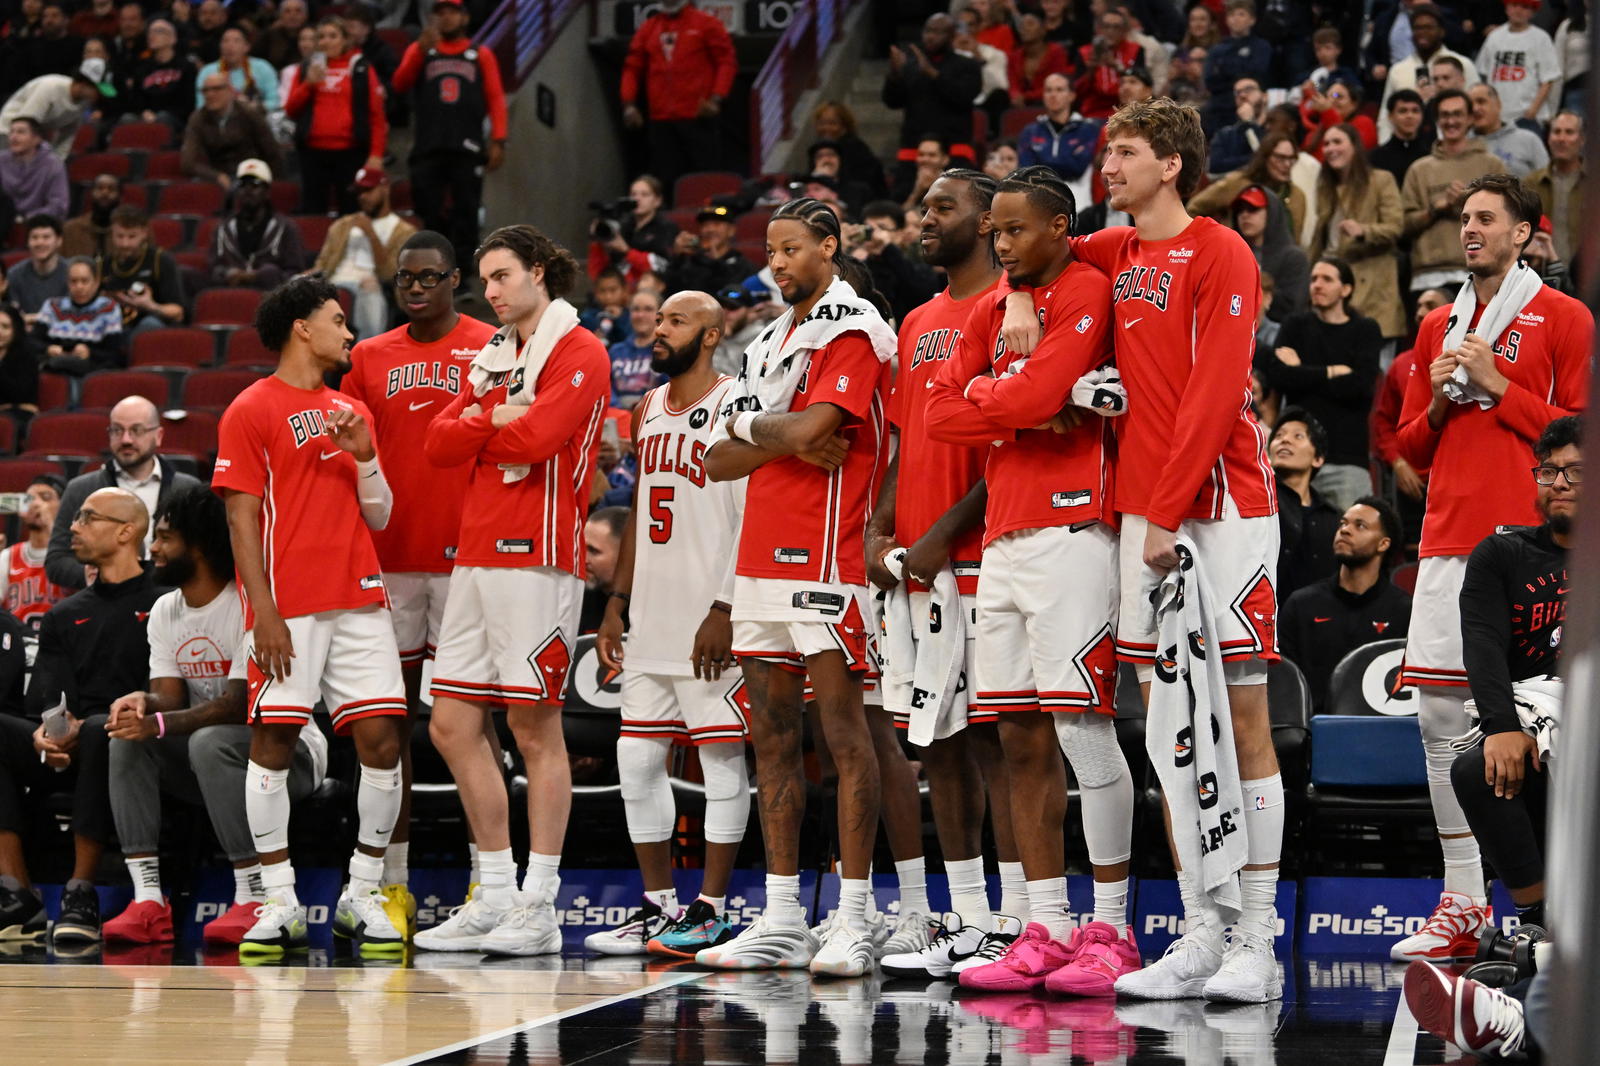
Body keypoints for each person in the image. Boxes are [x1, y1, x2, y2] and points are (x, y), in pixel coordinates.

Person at [1047, 98, 1282, 1004]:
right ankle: (1202, 932)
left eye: (1127, 152)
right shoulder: (1116, 253)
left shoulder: (1221, 251)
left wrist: (1166, 512)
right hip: (1146, 519)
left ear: (1173, 165)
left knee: (1246, 716)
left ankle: (1256, 945)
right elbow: (1036, 251)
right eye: (1109, 151)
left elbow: (1219, 391)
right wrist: (1028, 304)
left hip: (1220, 508)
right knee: (1166, 730)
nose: (1110, 165)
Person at [917, 166, 1136, 994]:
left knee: (1083, 729)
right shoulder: (988, 307)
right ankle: (1047, 921)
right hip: (1002, 534)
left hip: (1076, 525)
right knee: (1015, 735)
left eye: (1015, 231)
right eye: (995, 231)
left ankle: (1111, 929)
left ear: (1058, 225)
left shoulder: (1085, 289)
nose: (1000, 243)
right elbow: (938, 415)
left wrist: (1021, 392)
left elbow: (1040, 388)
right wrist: (1018, 397)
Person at [1393, 173, 1590, 963]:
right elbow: (1409, 448)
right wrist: (1440, 399)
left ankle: (1560, 909)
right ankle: (1465, 901)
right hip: (1446, 535)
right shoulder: (1437, 324)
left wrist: (1498, 384)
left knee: (1553, 730)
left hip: (1536, 548)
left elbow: (1580, 434)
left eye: (1486, 219)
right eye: (1464, 219)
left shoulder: (1565, 317)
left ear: (1524, 233)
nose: (1469, 229)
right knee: (1440, 725)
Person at [698, 198, 895, 977]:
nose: (776, 263)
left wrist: (767, 433)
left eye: (791, 248)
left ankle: (854, 916)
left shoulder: (853, 327)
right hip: (758, 562)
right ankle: (783, 915)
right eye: (769, 250)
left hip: (829, 558)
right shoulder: (768, 338)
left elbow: (821, 433)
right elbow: (715, 456)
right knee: (770, 740)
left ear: (830, 245)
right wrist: (769, 432)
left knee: (846, 740)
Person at [418, 226, 608, 956]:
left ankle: (541, 904)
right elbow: (437, 446)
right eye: (483, 280)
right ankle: (493, 894)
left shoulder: (581, 349)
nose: (490, 293)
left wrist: (481, 422)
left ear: (539, 270)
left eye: (501, 277)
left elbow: (539, 442)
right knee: (451, 725)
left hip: (537, 555)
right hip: (474, 552)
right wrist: (492, 416)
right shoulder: (493, 357)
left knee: (534, 728)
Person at [213, 276, 408, 958]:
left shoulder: (350, 408)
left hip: (359, 597)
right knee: (272, 744)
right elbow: (240, 520)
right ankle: (279, 900)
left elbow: (379, 513)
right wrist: (260, 612)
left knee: (383, 742)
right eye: (337, 319)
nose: (348, 332)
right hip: (287, 608)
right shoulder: (250, 408)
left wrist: (366, 455)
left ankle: (362, 892)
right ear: (302, 327)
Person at [858, 169, 1022, 980]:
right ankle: (966, 915)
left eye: (942, 207)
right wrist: (881, 527)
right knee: (937, 743)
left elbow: (1014, 445)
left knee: (1000, 740)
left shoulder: (1008, 311)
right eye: (922, 206)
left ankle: (1023, 918)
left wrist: (942, 535)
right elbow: (900, 438)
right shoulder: (918, 318)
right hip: (916, 565)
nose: (925, 220)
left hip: (986, 554)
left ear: (991, 221)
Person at [335, 230, 496, 942]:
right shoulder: (368, 356)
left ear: (456, 278)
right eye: (407, 280)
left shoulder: (494, 346)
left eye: (431, 277)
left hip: (471, 559)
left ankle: (485, 878)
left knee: (472, 723)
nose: (418, 288)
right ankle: (391, 883)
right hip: (389, 558)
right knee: (387, 725)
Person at [588, 290, 751, 956]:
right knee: (636, 758)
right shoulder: (647, 409)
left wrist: (725, 607)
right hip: (650, 615)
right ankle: (660, 908)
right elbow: (641, 514)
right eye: (657, 321)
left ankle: (710, 908)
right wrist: (616, 603)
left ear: (711, 335)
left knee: (719, 757)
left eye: (677, 321)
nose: (659, 331)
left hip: (709, 615)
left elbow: (751, 516)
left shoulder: (739, 403)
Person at [98, 486, 329, 945]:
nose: (153, 548)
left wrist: (161, 723)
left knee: (210, 741)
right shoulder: (167, 608)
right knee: (126, 736)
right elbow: (168, 696)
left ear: (199, 546)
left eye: (165, 538)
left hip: (291, 754)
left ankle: (254, 896)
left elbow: (239, 705)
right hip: (215, 759)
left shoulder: (248, 602)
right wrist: (143, 704)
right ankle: (148, 900)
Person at [0, 487, 156, 946]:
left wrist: (81, 730)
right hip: (71, 743)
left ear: (126, 531)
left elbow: (169, 693)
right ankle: (16, 892)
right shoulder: (64, 615)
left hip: (136, 742)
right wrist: (47, 738)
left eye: (88, 518)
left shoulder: (165, 602)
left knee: (98, 731)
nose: (73, 526)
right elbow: (47, 701)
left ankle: (80, 891)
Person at [1444, 415, 1578, 941]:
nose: (1560, 482)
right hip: (1532, 720)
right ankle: (1539, 925)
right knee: (1478, 769)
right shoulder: (1502, 553)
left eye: (1576, 471)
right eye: (1549, 471)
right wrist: (1501, 726)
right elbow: (1482, 646)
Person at [1257, 257, 1381, 512]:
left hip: (1346, 460)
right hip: (1295, 460)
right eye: (1314, 279)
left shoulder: (1365, 330)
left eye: (1327, 279)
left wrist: (1301, 372)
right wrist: (1333, 371)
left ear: (1346, 289)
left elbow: (1360, 387)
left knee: (1348, 545)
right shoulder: (1295, 325)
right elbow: (1280, 376)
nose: (1317, 285)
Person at [393, 0, 508, 267]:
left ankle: (464, 273)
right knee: (427, 210)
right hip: (428, 145)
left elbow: (496, 99)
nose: (446, 18)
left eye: (452, 12)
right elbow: (399, 84)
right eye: (440, 13)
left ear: (464, 18)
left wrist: (499, 139)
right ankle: (432, 267)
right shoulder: (421, 50)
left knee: (466, 211)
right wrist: (418, 52)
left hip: (466, 146)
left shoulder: (480, 54)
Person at [46, 397, 203, 591]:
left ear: (158, 435)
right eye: (117, 430)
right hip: (103, 604)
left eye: (136, 430)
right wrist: (89, 575)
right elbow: (56, 561)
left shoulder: (187, 489)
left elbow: (202, 556)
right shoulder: (80, 488)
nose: (126, 440)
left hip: (173, 602)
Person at [1279, 496, 1411, 712]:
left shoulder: (1403, 609)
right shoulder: (1301, 604)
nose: (1345, 530)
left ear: (1383, 543)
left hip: (1380, 729)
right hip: (1313, 733)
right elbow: (1285, 683)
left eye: (1360, 525)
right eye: (1343, 523)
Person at [619, 0, 734, 197]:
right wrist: (629, 104)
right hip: (661, 119)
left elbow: (726, 62)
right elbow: (632, 67)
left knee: (704, 180)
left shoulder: (706, 23)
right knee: (664, 180)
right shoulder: (649, 28)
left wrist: (716, 98)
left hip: (698, 117)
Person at [1401, 90, 1506, 297]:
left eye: (1457, 114)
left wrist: (1470, 203)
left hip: (1483, 272)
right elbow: (1403, 225)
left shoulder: (1491, 164)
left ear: (1469, 119)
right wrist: (1436, 209)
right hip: (1428, 276)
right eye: (1445, 115)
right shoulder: (1419, 169)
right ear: (1437, 121)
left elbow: (1507, 218)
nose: (1451, 121)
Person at [1307, 126, 1406, 342]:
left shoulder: (1381, 180)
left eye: (1337, 142)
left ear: (1354, 146)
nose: (1331, 148)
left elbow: (1395, 226)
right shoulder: (1325, 187)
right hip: (1336, 287)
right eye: (1326, 143)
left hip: (1374, 288)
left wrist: (1364, 231)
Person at [285, 16, 387, 215]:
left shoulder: (361, 68)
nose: (326, 41)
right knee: (313, 212)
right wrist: (308, 85)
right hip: (312, 154)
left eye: (333, 36)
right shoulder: (307, 67)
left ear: (345, 40)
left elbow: (376, 116)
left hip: (350, 153)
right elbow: (291, 110)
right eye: (321, 37)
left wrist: (376, 154)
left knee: (351, 213)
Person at [313, 167, 416, 341]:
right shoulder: (342, 225)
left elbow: (392, 273)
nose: (362, 196)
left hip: (371, 285)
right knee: (296, 284)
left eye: (368, 190)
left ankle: (368, 350)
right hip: (333, 282)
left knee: (370, 287)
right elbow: (322, 265)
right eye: (359, 191)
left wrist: (370, 234)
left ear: (385, 188)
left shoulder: (404, 232)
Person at [882, 15, 983, 171]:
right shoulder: (911, 65)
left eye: (937, 32)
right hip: (915, 147)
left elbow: (964, 96)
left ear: (951, 36)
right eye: (928, 31)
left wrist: (933, 74)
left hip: (954, 147)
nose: (930, 36)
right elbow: (892, 102)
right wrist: (895, 75)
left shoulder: (967, 65)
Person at [1187, 132, 1307, 249]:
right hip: (1236, 257)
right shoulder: (1238, 183)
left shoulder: (1297, 196)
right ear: (1265, 157)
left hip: (1281, 264)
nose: (1287, 164)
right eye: (1280, 158)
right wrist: (1211, 242)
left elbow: (1296, 239)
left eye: (1292, 159)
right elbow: (1194, 208)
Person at [1270, 407, 1342, 602]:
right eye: (1278, 435)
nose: (1284, 440)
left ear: (1318, 459)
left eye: (1298, 436)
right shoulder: (1260, 504)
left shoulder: (1334, 518)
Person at [1377, 3, 1477, 139]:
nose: (1422, 32)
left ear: (1442, 31)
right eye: (1417, 28)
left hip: (1455, 144)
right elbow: (1385, 114)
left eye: (1429, 27)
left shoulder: (1463, 65)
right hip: (1409, 147)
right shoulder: (1398, 70)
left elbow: (1475, 107)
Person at [209, 159, 308, 291]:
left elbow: (295, 272)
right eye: (242, 185)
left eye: (255, 185)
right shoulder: (223, 228)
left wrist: (258, 276)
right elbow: (214, 268)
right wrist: (229, 273)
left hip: (272, 296)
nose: (248, 190)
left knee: (270, 271)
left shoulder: (286, 228)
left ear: (267, 192)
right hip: (232, 291)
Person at [180, 73, 283, 190]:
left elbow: (271, 151)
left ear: (230, 91)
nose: (210, 94)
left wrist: (273, 184)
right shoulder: (198, 118)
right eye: (205, 90)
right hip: (218, 176)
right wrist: (216, 176)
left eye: (217, 89)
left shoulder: (249, 113)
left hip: (250, 174)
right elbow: (188, 163)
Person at [0, 59, 117, 158]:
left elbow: (67, 135)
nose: (100, 96)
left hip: (33, 138)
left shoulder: (83, 103)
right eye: (97, 90)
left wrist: (57, 164)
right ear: (83, 83)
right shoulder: (50, 87)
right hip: (8, 133)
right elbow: (25, 124)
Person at [1016, 74, 1101, 210]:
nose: (1053, 95)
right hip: (1037, 201)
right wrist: (1066, 159)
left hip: (1078, 203)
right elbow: (1026, 172)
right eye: (1048, 90)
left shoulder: (1087, 129)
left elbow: (1076, 168)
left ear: (1071, 96)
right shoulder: (1030, 131)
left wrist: (1041, 161)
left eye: (1059, 90)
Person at [99, 205, 186, 335]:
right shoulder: (104, 264)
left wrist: (150, 305)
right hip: (115, 326)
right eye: (120, 236)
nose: (125, 243)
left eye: (132, 237)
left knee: (149, 324)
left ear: (144, 233)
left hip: (149, 325)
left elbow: (178, 312)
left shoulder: (160, 260)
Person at [1226, 184, 1307, 322]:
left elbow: (1292, 307)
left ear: (1271, 213)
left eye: (1253, 209)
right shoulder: (1229, 255)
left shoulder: (1294, 258)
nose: (1245, 215)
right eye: (1240, 210)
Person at [33, 257, 124, 376]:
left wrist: (90, 352)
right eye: (73, 281)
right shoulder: (52, 306)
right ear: (67, 282)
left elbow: (115, 353)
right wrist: (48, 348)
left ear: (96, 282)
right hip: (55, 366)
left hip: (92, 369)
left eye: (84, 281)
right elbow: (32, 342)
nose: (79, 286)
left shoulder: (109, 308)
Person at [1477, 0, 1561, 127]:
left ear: (1533, 12)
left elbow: (1548, 80)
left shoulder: (1541, 38)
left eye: (1525, 7)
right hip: (1497, 116)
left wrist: (1533, 110)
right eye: (1514, 5)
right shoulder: (1494, 37)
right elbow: (1483, 74)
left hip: (1527, 116)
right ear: (1506, 8)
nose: (1519, 10)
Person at [0, 474, 65, 631]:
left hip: (62, 647)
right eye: (30, 498)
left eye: (46, 498)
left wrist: (51, 524)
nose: (36, 503)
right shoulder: (9, 556)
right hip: (19, 647)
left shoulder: (73, 555)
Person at [1203, 0, 1272, 135]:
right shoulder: (1217, 49)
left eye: (1241, 14)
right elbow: (1210, 80)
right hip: (1220, 103)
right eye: (1232, 15)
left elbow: (1258, 74)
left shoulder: (1261, 46)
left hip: (1251, 101)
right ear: (1227, 20)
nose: (1236, 19)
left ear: (1252, 20)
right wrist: (1240, 68)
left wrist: (1225, 69)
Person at [1525, 111, 1582, 271]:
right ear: (1548, 139)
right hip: (1542, 273)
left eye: (1569, 132)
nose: (1561, 139)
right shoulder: (1531, 184)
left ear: (1582, 140)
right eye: (1556, 132)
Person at [663, 204, 754, 298]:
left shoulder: (742, 265)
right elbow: (671, 292)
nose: (710, 230)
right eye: (705, 225)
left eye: (717, 224)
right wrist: (678, 259)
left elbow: (733, 296)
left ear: (731, 230)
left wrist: (716, 263)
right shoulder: (691, 262)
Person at [810, 101, 889, 203]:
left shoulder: (857, 149)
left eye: (832, 123)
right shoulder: (817, 149)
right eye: (821, 123)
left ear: (845, 126)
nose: (826, 128)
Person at [1075, 6, 1144, 120]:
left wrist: (1117, 67)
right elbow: (1076, 92)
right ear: (1098, 29)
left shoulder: (1135, 50)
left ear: (1124, 30)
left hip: (1126, 112)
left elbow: (1142, 85)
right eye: (1106, 26)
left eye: (1116, 27)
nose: (1110, 31)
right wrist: (1091, 71)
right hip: (1092, 114)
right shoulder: (1084, 53)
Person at [125, 18, 195, 126]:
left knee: (163, 118)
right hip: (147, 117)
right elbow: (136, 99)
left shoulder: (186, 67)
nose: (151, 36)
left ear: (172, 38)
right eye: (150, 32)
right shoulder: (142, 68)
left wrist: (161, 115)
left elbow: (188, 103)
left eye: (158, 31)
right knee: (127, 119)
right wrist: (143, 112)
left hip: (175, 118)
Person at [196, 25, 279, 116]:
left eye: (236, 41)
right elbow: (201, 105)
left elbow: (275, 101)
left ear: (247, 47)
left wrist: (254, 107)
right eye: (225, 41)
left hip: (255, 118)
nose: (230, 46)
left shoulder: (263, 67)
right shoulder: (207, 71)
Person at [1469, 83, 1549, 178]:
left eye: (1481, 102)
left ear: (1498, 104)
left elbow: (1547, 180)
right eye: (1470, 105)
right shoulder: (1464, 144)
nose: (1475, 109)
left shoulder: (1529, 140)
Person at [0, 116, 66, 220]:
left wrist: (30, 217)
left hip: (37, 223)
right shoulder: (2, 160)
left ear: (36, 139)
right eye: (11, 132)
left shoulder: (53, 164)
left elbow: (59, 205)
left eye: (20, 132)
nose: (13, 137)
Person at [608, 288, 663, 409]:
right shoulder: (615, 351)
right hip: (619, 419)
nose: (641, 315)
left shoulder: (667, 351)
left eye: (648, 309)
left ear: (660, 315)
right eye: (636, 309)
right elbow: (605, 387)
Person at [6, 212, 66, 317]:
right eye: (34, 237)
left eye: (46, 237)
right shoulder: (14, 275)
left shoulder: (72, 273)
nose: (40, 242)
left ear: (59, 240)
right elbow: (14, 316)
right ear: (28, 242)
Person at [1007, 13, 1071, 108]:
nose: (1024, 28)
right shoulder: (1014, 56)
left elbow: (1056, 85)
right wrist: (1015, 95)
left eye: (1030, 24)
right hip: (1019, 104)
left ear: (1043, 30)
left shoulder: (1056, 52)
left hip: (1048, 102)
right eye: (1021, 26)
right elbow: (1012, 85)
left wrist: (1026, 97)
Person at [1370, 89, 1433, 186]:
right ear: (1390, 116)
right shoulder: (1375, 159)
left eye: (1415, 111)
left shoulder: (1431, 155)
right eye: (1403, 111)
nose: (1409, 116)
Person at [1208, 76, 1267, 174]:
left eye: (1249, 89)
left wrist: (1249, 123)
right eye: (1237, 93)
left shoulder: (1275, 127)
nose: (1242, 95)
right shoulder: (1225, 134)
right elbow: (1215, 166)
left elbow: (1264, 158)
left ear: (1264, 96)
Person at [62, 174, 120, 260]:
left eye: (111, 189)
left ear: (119, 195)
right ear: (91, 193)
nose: (105, 193)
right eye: (100, 188)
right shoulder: (71, 229)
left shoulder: (127, 232)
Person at [254, 0, 309, 70]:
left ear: (306, 15)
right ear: (280, 15)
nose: (293, 15)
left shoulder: (314, 34)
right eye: (287, 11)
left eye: (298, 11)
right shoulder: (269, 35)